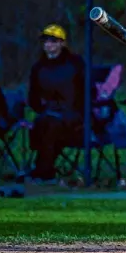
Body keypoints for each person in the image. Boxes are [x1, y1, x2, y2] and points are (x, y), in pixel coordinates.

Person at [28, 24, 87, 184]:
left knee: (52, 125)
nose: (49, 44)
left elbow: (86, 91)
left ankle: (43, 170)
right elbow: (32, 96)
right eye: (46, 41)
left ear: (62, 43)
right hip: (48, 113)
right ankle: (43, 169)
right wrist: (42, 107)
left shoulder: (76, 63)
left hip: (73, 115)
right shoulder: (38, 67)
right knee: (43, 123)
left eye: (53, 41)